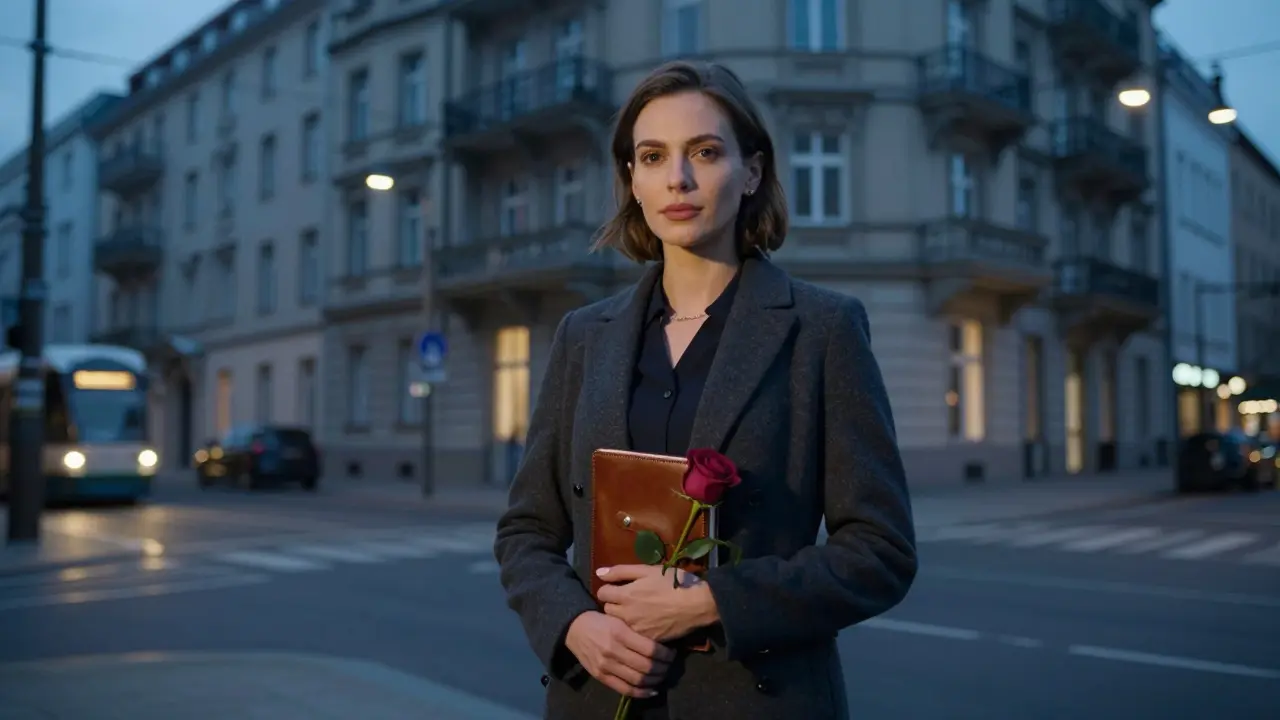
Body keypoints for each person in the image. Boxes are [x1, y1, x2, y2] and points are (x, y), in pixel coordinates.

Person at [493, 60, 917, 720]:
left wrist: (714, 602)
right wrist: (574, 626)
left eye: (706, 152)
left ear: (751, 172)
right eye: (653, 156)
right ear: (631, 179)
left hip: (757, 699)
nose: (678, 179)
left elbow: (880, 552)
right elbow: (527, 531)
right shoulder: (584, 335)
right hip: (598, 696)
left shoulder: (822, 330)